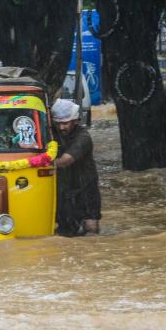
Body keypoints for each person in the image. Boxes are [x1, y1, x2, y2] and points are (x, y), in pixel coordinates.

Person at [51, 98, 101, 236]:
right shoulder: (53, 134)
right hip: (65, 190)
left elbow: (65, 161)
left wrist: (40, 164)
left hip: (86, 189)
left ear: (75, 120)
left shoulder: (83, 137)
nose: (62, 127)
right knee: (64, 230)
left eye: (65, 123)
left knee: (91, 227)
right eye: (58, 123)